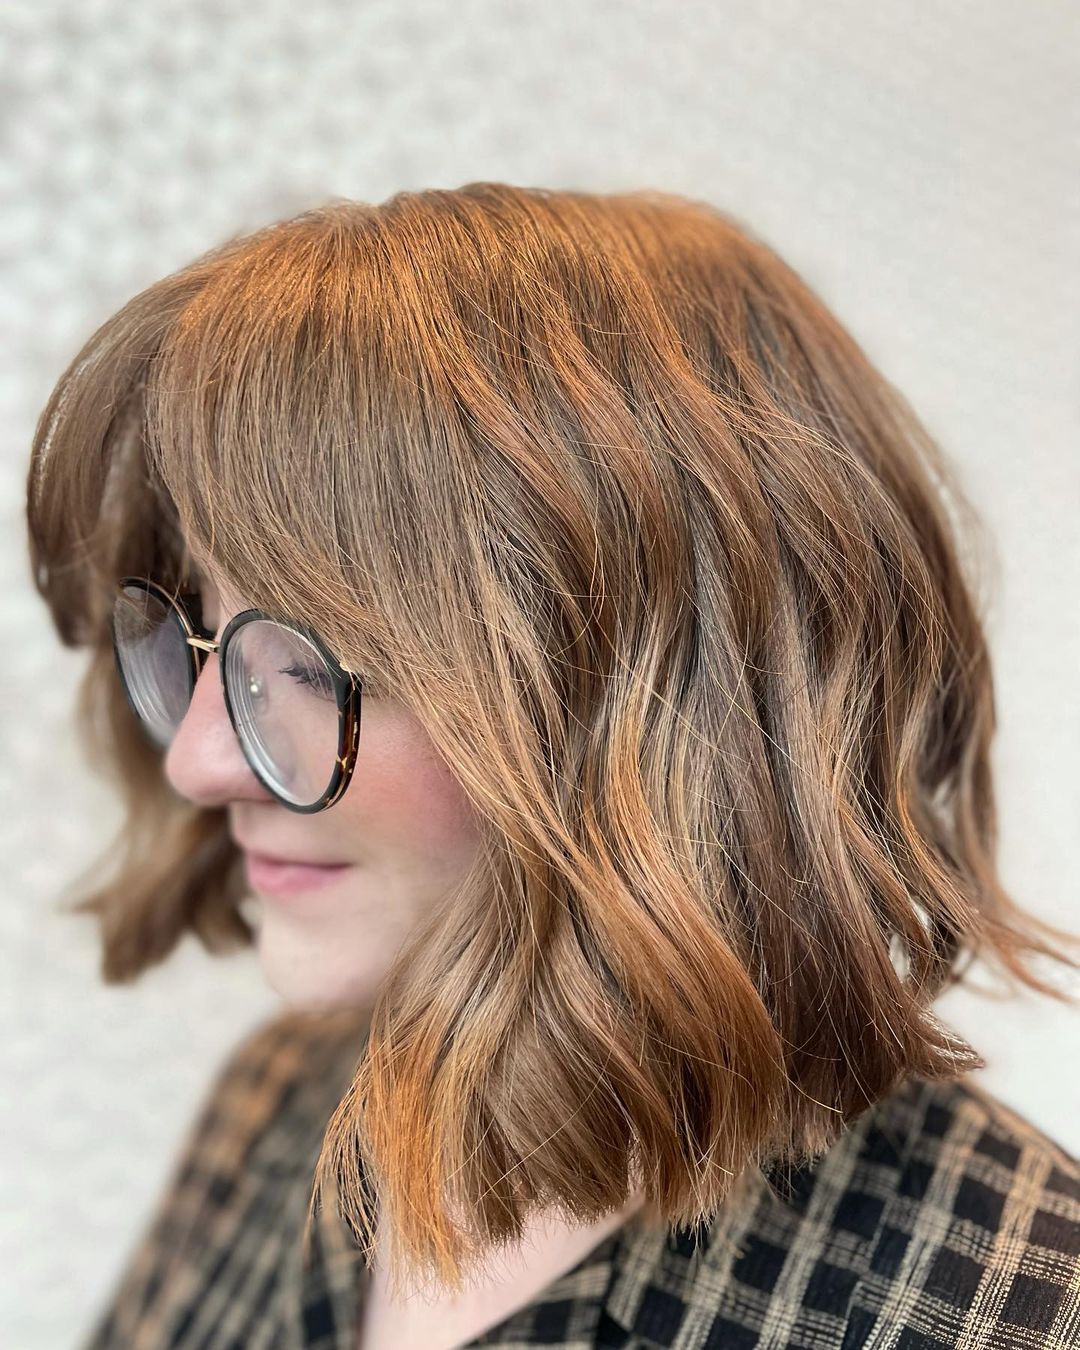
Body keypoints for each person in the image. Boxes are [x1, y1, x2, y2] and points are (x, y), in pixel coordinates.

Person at [25, 183, 1080, 1349]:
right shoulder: (284, 1105)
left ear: (659, 705)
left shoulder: (1010, 1310)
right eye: (204, 635)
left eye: (310, 665)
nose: (197, 760)